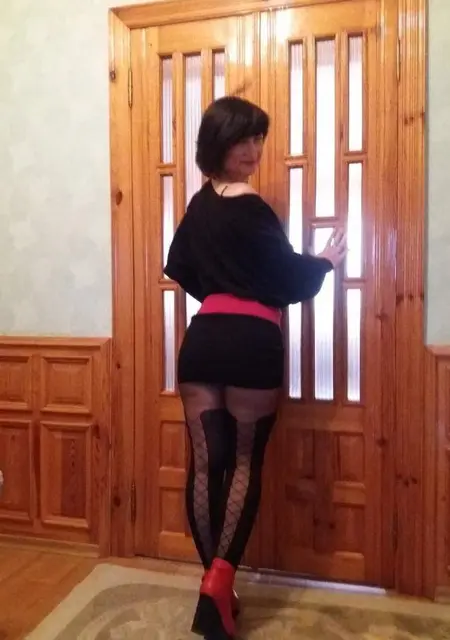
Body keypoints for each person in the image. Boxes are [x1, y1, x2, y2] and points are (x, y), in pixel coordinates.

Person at [164, 96, 347, 639]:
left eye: (258, 138)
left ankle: (214, 588)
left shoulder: (198, 207)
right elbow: (287, 278)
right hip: (252, 341)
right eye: (242, 139)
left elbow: (180, 266)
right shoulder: (252, 207)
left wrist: (221, 290)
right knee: (243, 463)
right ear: (217, 144)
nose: (253, 149)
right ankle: (218, 585)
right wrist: (324, 262)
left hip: (203, 340)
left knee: (205, 467)